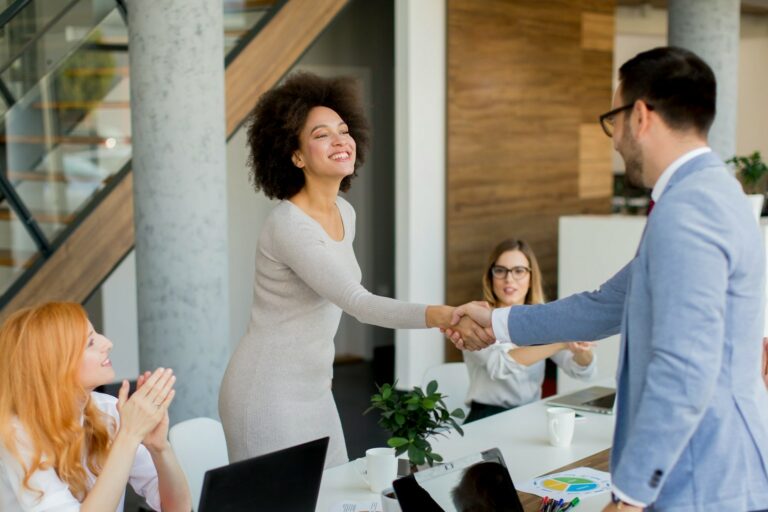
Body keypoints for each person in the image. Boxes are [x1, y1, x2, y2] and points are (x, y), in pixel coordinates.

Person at [449, 47, 768, 511]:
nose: (614, 139)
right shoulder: (705, 194)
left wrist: (633, 495)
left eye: (612, 120)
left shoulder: (690, 209)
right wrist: (497, 322)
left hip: (703, 478)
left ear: (640, 115)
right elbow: (605, 304)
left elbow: (684, 365)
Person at [218, 72, 492, 469]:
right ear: (295, 155)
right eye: (321, 134)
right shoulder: (288, 225)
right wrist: (445, 315)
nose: (339, 140)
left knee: (335, 495)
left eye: (343, 130)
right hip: (267, 393)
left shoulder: (345, 212)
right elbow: (357, 302)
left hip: (315, 388)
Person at [0, 302, 191, 512]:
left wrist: (159, 447)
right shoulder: (16, 435)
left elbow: (178, 508)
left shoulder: (109, 411)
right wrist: (129, 434)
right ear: (55, 365)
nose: (108, 343)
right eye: (90, 342)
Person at [462, 239, 596, 423]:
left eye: (518, 271)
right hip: (487, 418)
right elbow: (501, 365)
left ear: (531, 277)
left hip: (530, 415)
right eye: (501, 271)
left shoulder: (540, 318)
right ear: (491, 276)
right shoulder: (474, 320)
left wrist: (581, 349)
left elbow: (583, 372)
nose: (509, 279)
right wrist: (560, 343)